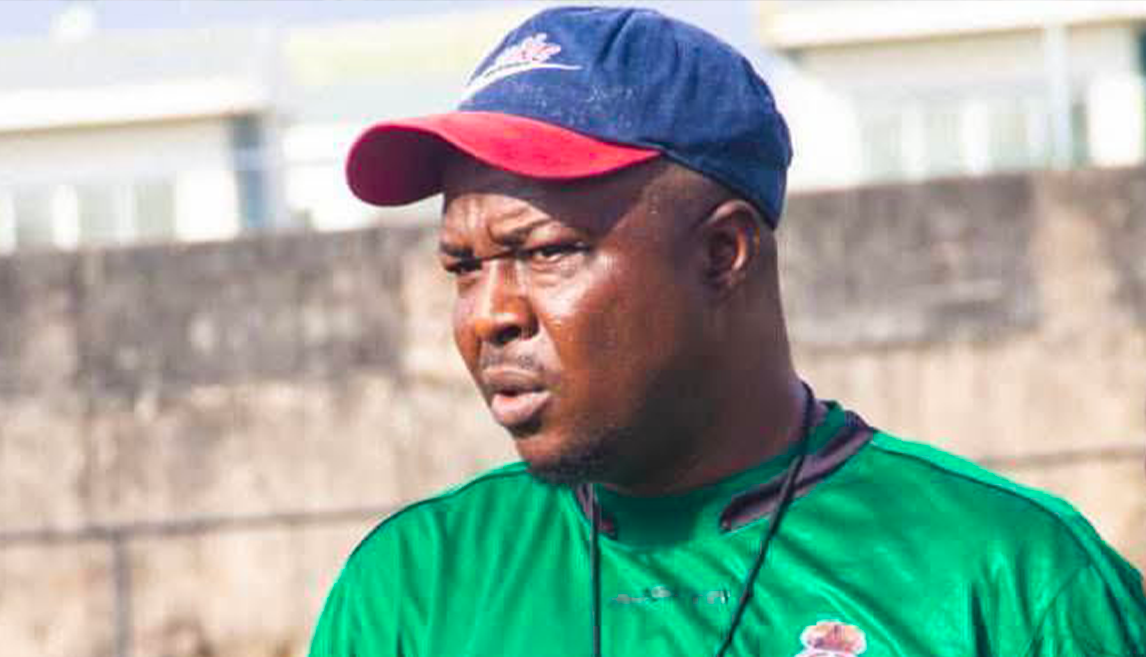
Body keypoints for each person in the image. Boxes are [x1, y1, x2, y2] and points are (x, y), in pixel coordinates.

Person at [310, 6, 1146, 656]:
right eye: (463, 265)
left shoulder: (1012, 580)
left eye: (546, 251)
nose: (490, 314)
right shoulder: (413, 590)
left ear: (722, 253)